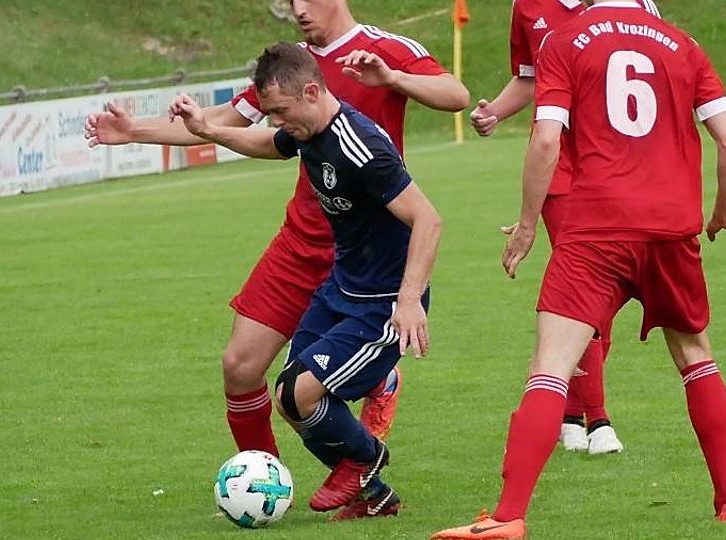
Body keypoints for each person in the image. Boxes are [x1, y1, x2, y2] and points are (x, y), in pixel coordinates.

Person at [83, 0, 468, 514]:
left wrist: (392, 78)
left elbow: (456, 97)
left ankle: (369, 417)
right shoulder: (287, 67)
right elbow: (249, 130)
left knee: (305, 391)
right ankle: (271, 486)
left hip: (375, 258)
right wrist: (137, 132)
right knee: (249, 370)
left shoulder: (378, 59)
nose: (299, 8)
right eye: (291, 1)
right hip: (309, 246)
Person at [433, 1, 726, 537]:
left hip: (595, 230)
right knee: (696, 357)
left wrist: (527, 225)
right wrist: (721, 213)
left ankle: (509, 516)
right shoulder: (683, 44)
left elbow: (546, 138)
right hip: (670, 230)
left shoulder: (564, 40)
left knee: (550, 367)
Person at [172, 42, 441, 520]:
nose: (276, 122)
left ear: (312, 92)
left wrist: (408, 301)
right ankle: (375, 496)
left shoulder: (360, 147)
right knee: (289, 398)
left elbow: (428, 219)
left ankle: (366, 458)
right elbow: (268, 144)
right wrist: (208, 130)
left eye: (280, 111)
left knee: (300, 391)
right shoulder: (308, 130)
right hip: (342, 287)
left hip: (383, 301)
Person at [471, 0, 660, 456]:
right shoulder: (528, 6)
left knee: (604, 299)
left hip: (617, 168)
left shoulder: (635, 4)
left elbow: (656, 69)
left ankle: (570, 412)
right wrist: (496, 111)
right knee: (583, 293)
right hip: (560, 170)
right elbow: (530, 76)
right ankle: (598, 420)